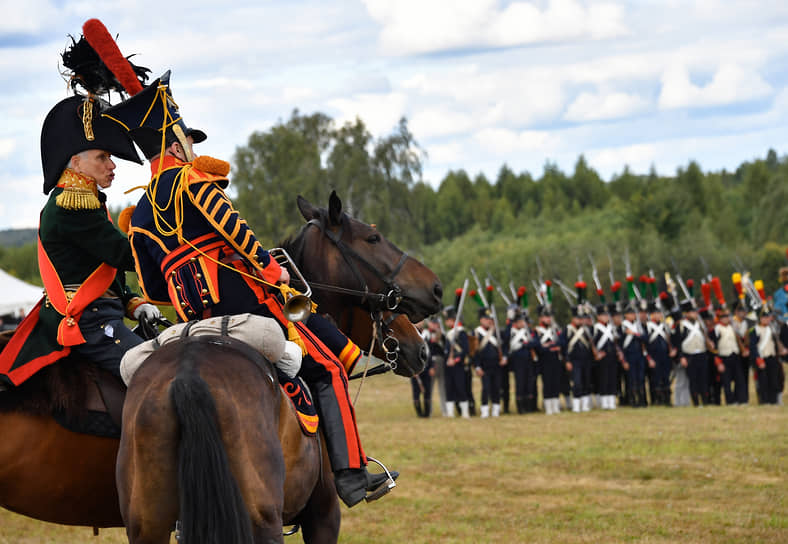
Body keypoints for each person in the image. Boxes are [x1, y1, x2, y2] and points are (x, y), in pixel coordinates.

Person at [102, 69, 394, 507]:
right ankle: (351, 475)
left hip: (191, 323)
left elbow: (155, 286)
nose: (194, 148)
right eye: (189, 140)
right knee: (329, 368)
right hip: (246, 310)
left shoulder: (139, 214)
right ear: (177, 143)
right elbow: (238, 233)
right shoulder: (193, 182)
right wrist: (269, 270)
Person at [0, 35, 160, 386]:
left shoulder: (85, 200)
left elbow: (103, 267)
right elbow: (124, 254)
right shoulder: (72, 204)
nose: (112, 165)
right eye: (103, 157)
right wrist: (166, 235)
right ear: (76, 160)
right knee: (159, 379)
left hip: (104, 313)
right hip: (89, 321)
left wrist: (134, 302)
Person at [673, 301, 713, 406]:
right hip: (689, 355)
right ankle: (696, 402)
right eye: (692, 312)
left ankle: (705, 401)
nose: (695, 314)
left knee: (703, 379)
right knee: (693, 380)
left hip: (702, 354)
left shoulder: (699, 324)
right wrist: (681, 357)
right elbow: (678, 343)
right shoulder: (681, 325)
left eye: (695, 312)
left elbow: (705, 338)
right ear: (687, 314)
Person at [711, 308, 747, 405]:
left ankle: (741, 399)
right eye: (723, 317)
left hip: (734, 355)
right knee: (726, 382)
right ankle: (730, 401)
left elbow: (739, 339)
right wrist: (718, 362)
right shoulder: (717, 329)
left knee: (740, 379)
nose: (726, 318)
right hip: (724, 357)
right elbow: (714, 347)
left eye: (727, 316)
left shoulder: (732, 327)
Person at [505, 309, 538, 413]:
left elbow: (535, 342)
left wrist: (526, 345)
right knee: (520, 383)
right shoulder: (511, 332)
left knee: (529, 383)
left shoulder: (528, 331)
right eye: (520, 322)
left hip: (528, 360)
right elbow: (506, 340)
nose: (523, 324)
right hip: (518, 361)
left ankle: (529, 406)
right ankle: (520, 407)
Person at [473, 307, 503, 418]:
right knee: (486, 388)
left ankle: (496, 409)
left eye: (490, 319)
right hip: (484, 365)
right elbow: (474, 352)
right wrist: (477, 366)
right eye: (486, 319)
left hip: (496, 364)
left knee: (496, 387)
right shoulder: (476, 333)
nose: (489, 321)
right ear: (481, 320)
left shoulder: (497, 332)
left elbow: (502, 346)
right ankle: (484, 410)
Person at [562, 305, 593, 412]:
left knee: (586, 382)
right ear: (573, 319)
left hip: (586, 360)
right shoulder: (568, 330)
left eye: (581, 318)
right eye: (578, 318)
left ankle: (584, 405)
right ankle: (576, 405)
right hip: (574, 361)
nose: (580, 320)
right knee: (577, 383)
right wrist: (567, 360)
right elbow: (564, 346)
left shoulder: (586, 330)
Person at [749, 307, 783, 405]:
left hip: (772, 357)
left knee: (774, 380)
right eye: (765, 317)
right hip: (761, 358)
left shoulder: (772, 329)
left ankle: (773, 400)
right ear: (760, 318)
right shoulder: (754, 330)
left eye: (768, 317)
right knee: (763, 381)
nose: (767, 319)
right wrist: (758, 359)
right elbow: (753, 346)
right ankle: (765, 401)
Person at [534, 305, 562, 414]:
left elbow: (561, 341)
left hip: (555, 359)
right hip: (544, 360)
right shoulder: (537, 330)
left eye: (549, 317)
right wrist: (548, 347)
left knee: (556, 383)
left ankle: (555, 405)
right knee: (547, 383)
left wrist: (550, 345)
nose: (548, 319)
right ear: (540, 318)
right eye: (546, 317)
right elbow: (537, 345)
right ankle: (548, 406)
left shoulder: (555, 330)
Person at [443, 305, 471, 418]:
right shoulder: (449, 333)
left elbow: (465, 350)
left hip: (458, 365)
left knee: (461, 388)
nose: (446, 322)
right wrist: (447, 359)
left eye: (448, 320)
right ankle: (450, 413)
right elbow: (445, 350)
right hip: (448, 366)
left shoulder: (461, 332)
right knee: (449, 388)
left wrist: (455, 360)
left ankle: (465, 412)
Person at [645, 302, 674, 406]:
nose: (659, 315)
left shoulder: (664, 326)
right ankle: (656, 400)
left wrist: (671, 350)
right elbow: (645, 344)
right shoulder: (648, 326)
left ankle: (667, 400)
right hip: (654, 355)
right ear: (652, 314)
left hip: (665, 356)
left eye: (660, 313)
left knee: (666, 378)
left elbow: (669, 340)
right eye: (656, 313)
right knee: (655, 379)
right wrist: (648, 358)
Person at [593, 304, 620, 410]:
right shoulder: (596, 328)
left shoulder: (611, 328)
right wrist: (597, 354)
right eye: (603, 315)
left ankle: (611, 401)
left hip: (612, 356)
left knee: (612, 378)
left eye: (607, 315)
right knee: (603, 379)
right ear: (598, 317)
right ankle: (604, 402)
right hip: (602, 358)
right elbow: (593, 343)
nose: (605, 317)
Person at [410, 319, 437, 417]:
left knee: (427, 390)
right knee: (416, 391)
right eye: (418, 321)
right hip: (415, 367)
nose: (419, 323)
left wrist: (433, 366)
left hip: (427, 366)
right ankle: (420, 414)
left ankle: (427, 413)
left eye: (421, 321)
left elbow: (432, 351)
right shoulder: (410, 334)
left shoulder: (427, 334)